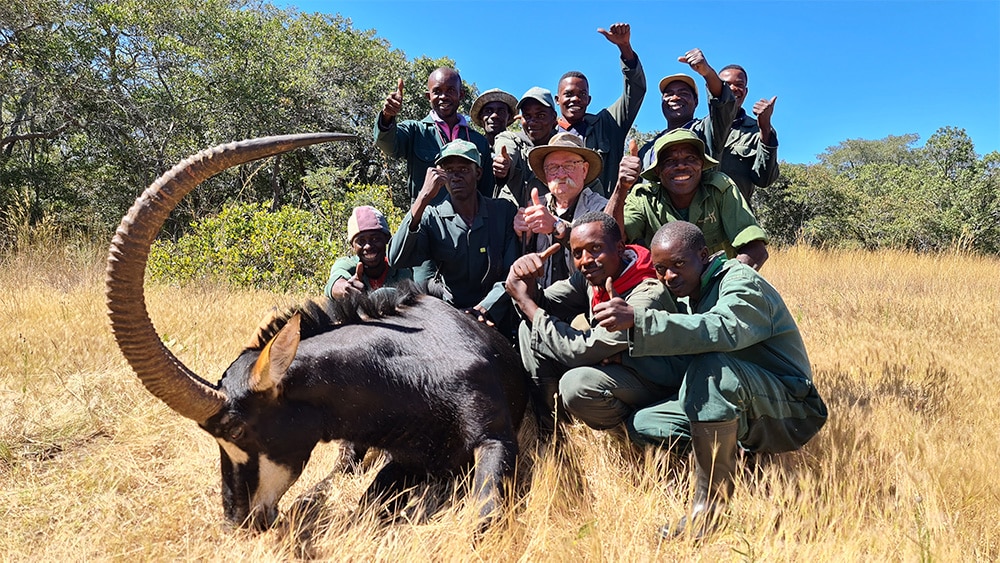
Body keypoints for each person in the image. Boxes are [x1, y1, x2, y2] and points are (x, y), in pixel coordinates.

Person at [592, 220, 827, 538]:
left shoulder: (740, 280)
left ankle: (710, 514)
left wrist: (641, 322)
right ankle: (739, 465)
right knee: (646, 422)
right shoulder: (688, 293)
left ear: (703, 255)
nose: (669, 276)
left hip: (791, 406)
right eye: (660, 269)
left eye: (678, 264)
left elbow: (723, 329)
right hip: (739, 397)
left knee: (713, 369)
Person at [506, 211, 683, 439]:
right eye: (577, 253)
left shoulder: (645, 294)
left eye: (596, 249)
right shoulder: (594, 276)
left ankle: (627, 432)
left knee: (577, 385)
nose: (586, 260)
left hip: (654, 379)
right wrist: (525, 280)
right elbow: (543, 304)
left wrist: (526, 302)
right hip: (616, 366)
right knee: (529, 328)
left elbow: (578, 351)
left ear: (620, 248)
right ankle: (552, 429)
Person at [388, 139, 518, 331]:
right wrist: (423, 196)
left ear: (478, 173)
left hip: (496, 314)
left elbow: (511, 273)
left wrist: (484, 309)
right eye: (448, 170)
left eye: (464, 169)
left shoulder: (502, 212)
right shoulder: (432, 217)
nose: (456, 176)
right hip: (450, 317)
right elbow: (396, 257)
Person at [605, 128, 769, 270]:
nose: (681, 166)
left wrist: (724, 286)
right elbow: (609, 242)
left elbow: (755, 250)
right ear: (658, 171)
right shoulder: (644, 198)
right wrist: (621, 188)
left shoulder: (720, 188)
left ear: (701, 165)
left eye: (691, 159)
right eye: (670, 161)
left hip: (721, 287)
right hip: (664, 291)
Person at [374, 67, 495, 205]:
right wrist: (387, 117)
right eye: (437, 91)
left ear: (461, 94)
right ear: (428, 97)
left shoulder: (478, 141)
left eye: (450, 90)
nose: (444, 96)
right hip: (426, 222)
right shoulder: (415, 131)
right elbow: (388, 145)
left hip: (468, 224)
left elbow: (486, 192)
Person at [555, 23, 645, 196]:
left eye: (582, 94)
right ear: (557, 100)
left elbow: (635, 91)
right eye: (568, 94)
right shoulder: (547, 135)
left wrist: (624, 47)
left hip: (602, 216)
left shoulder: (607, 124)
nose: (575, 99)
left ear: (588, 100)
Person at [517, 133, 609, 288]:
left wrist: (556, 226)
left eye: (569, 166)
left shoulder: (602, 209)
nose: (560, 174)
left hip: (587, 304)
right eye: (552, 168)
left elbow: (602, 255)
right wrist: (522, 237)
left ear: (584, 170)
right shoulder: (535, 207)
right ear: (545, 174)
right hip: (543, 302)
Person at [638, 48, 738, 170]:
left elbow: (723, 104)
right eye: (668, 94)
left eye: (683, 93)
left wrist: (707, 72)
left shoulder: (707, 131)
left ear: (695, 101)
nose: (675, 97)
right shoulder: (647, 149)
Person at [717, 64, 780, 205]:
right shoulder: (699, 129)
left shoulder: (760, 131)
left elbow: (764, 180)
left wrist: (765, 127)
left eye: (739, 85)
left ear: (745, 91)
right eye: (726, 85)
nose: (733, 89)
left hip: (737, 218)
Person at [324, 205, 412, 300]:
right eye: (361, 241)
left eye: (375, 239)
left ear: (387, 239)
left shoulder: (403, 268)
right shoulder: (348, 265)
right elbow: (335, 282)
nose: (368, 246)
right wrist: (345, 288)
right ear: (352, 246)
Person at [494, 87, 560, 207]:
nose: (533, 121)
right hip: (510, 220)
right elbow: (505, 149)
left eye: (540, 115)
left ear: (553, 117)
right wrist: (505, 164)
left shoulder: (564, 148)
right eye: (527, 115)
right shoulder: (511, 139)